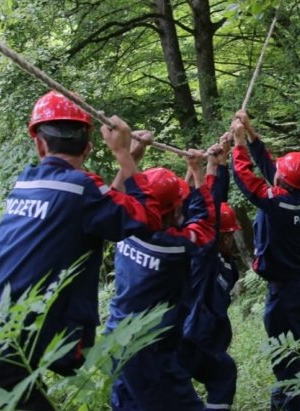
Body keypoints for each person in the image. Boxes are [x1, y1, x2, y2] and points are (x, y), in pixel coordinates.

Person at [0, 90, 162, 411]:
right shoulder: (82, 191)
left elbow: (103, 208)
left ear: (39, 143)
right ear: (89, 146)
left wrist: (130, 157)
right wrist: (123, 154)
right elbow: (147, 218)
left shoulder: (28, 182)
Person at [106, 146, 217, 411]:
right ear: (173, 208)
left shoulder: (125, 228)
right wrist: (199, 173)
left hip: (118, 340)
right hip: (149, 354)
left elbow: (115, 197)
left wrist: (132, 156)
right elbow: (205, 225)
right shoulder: (173, 248)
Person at [230, 110, 300, 411]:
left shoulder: (279, 203)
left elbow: (246, 180)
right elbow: (271, 170)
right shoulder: (299, 193)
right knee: (285, 349)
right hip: (297, 284)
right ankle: (284, 397)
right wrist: (251, 133)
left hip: (290, 290)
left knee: (290, 352)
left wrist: (238, 145)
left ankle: (296, 403)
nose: (275, 172)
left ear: (284, 180)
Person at [179, 134, 240, 411]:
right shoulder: (203, 259)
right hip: (193, 339)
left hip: (202, 339)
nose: (229, 241)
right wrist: (202, 172)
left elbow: (214, 208)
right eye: (226, 236)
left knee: (221, 375)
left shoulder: (227, 266)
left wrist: (218, 166)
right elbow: (207, 211)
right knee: (222, 375)